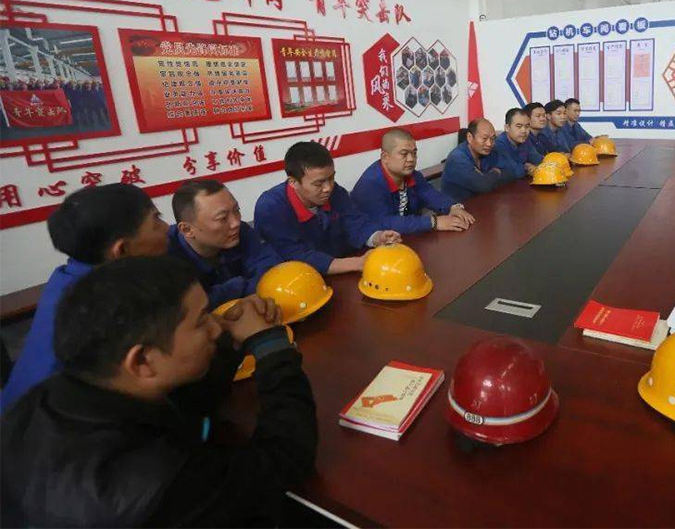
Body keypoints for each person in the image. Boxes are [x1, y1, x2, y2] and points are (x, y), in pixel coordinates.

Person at [0, 256, 317, 526]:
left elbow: (185, 403)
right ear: (141, 360)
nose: (216, 325)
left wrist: (229, 341)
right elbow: (282, 461)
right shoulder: (158, 483)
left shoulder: (50, 397)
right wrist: (270, 346)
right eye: (201, 321)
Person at [2, 184, 169, 411]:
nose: (166, 228)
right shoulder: (106, 306)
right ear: (121, 250)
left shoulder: (72, 274)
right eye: (156, 220)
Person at [255, 141, 400, 275]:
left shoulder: (335, 192)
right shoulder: (270, 208)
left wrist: (377, 237)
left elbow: (355, 223)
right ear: (293, 182)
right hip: (302, 282)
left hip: (342, 273)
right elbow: (294, 256)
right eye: (319, 184)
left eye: (331, 178)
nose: (328, 188)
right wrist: (356, 263)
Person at [169, 180, 282, 308]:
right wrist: (239, 286)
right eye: (222, 218)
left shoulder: (241, 231)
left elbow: (273, 273)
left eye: (236, 210)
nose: (236, 223)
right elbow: (191, 307)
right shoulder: (166, 256)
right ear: (187, 230)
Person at [351, 128, 475, 235]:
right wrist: (434, 222)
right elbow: (386, 222)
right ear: (385, 157)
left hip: (408, 237)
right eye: (404, 154)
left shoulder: (412, 175)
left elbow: (431, 195)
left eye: (414, 153)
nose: (411, 159)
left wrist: (453, 207)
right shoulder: (369, 185)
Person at [441, 118, 515, 201]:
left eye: (492, 139)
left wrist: (487, 178)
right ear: (469, 137)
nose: (489, 144)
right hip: (458, 206)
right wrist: (497, 171)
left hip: (484, 201)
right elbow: (483, 186)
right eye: (484, 138)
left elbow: (510, 173)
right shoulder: (457, 158)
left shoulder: (489, 151)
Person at [494, 107, 544, 179]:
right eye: (519, 126)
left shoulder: (525, 141)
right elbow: (514, 173)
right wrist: (526, 167)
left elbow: (540, 160)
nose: (524, 131)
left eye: (527, 126)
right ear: (507, 128)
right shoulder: (499, 144)